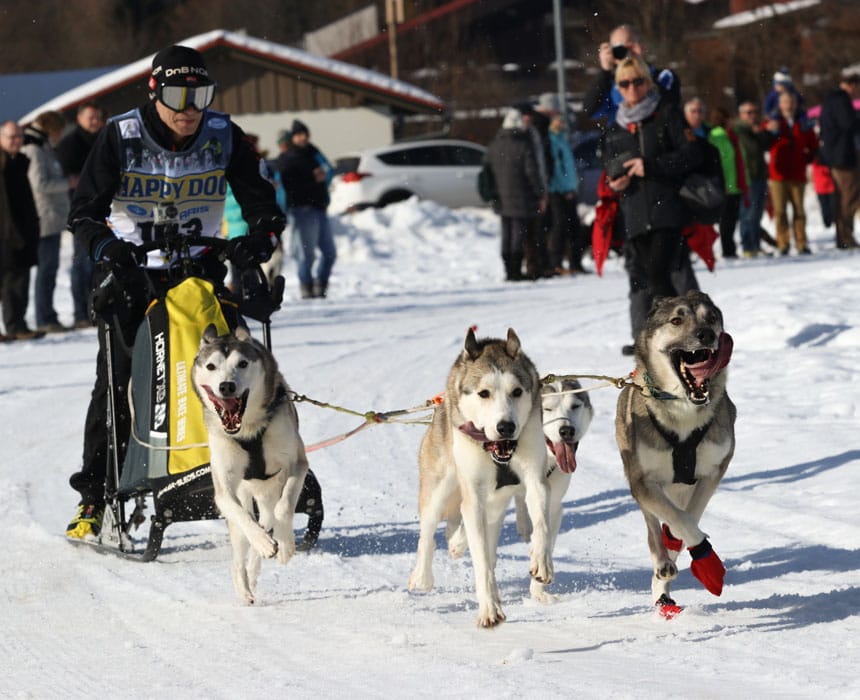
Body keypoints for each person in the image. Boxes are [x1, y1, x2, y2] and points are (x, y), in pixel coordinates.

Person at [65, 45, 285, 539]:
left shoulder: (223, 133)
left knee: (238, 379)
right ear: (154, 91)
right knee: (119, 383)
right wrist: (108, 249)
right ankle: (94, 498)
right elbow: (82, 213)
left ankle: (253, 479)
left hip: (200, 273)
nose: (189, 108)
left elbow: (262, 203)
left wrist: (258, 238)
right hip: (133, 276)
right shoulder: (121, 135)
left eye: (199, 95)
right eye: (177, 95)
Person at [601, 57, 704, 354]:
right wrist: (614, 180)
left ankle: (684, 336)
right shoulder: (618, 125)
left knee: (660, 274)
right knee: (646, 280)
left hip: (667, 209)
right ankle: (664, 337)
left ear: (648, 82)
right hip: (634, 213)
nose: (631, 88)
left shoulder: (666, 114)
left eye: (637, 81)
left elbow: (691, 154)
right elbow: (609, 163)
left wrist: (652, 166)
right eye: (624, 83)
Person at [55, 101, 106, 328]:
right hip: (80, 212)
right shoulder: (69, 144)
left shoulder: (106, 139)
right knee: (81, 263)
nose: (94, 122)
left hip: (105, 209)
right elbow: (68, 177)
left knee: (101, 264)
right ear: (79, 119)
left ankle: (98, 309)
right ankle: (80, 312)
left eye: (97, 117)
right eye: (90, 118)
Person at [21, 110, 71, 333]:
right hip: (44, 216)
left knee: (50, 268)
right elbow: (38, 184)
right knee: (46, 269)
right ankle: (44, 317)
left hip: (53, 216)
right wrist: (67, 183)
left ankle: (48, 314)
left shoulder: (41, 146)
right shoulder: (33, 148)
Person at [484, 108, 546, 281]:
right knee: (518, 234)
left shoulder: (495, 145)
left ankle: (508, 270)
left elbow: (487, 170)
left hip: (501, 196)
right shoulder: (522, 144)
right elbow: (532, 172)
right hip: (521, 196)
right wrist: (540, 193)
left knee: (506, 233)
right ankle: (516, 271)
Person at [278, 120, 336, 299]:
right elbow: (289, 186)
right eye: (299, 135)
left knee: (330, 253)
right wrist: (313, 180)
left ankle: (321, 285)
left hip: (319, 208)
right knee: (306, 255)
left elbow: (329, 170)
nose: (303, 138)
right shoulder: (288, 157)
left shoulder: (314, 153)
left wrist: (323, 178)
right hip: (301, 210)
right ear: (292, 138)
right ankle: (307, 287)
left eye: (305, 134)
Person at [684, 102, 748, 260]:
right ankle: (695, 251)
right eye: (693, 111)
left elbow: (727, 160)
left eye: (700, 111)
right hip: (696, 183)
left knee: (726, 220)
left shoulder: (710, 132)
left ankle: (723, 249)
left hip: (721, 182)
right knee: (700, 222)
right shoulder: (684, 132)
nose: (697, 114)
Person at [583, 23, 680, 124]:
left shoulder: (662, 76)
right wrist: (605, 71)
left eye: (630, 48)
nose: (626, 54)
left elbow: (669, 105)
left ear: (640, 46)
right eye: (618, 51)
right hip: (622, 137)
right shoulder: (609, 83)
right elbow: (590, 111)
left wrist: (638, 61)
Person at [0, 121, 43, 342]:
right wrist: (13, 233)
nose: (16, 141)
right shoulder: (4, 163)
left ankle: (18, 324)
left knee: (18, 282)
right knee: (12, 283)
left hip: (22, 231)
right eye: (11, 137)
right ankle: (15, 326)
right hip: (9, 235)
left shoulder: (19, 161)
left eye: (19, 136)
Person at [765, 91, 818, 255]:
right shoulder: (773, 121)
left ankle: (801, 243)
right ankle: (783, 243)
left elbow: (813, 144)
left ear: (796, 104)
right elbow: (764, 142)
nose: (788, 105)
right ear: (780, 105)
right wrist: (768, 132)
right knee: (780, 211)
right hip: (778, 174)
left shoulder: (802, 123)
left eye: (791, 102)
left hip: (797, 173)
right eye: (785, 102)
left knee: (799, 210)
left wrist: (805, 159)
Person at [818, 72, 860, 250]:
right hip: (843, 156)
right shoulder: (840, 100)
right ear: (852, 85)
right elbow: (848, 123)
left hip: (836, 155)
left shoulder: (831, 99)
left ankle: (843, 237)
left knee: (843, 197)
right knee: (848, 197)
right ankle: (845, 237)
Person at [546, 112, 587, 274]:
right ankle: (556, 262)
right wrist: (565, 188)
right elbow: (556, 169)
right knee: (559, 226)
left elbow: (569, 168)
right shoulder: (552, 141)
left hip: (569, 189)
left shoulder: (563, 140)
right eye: (557, 122)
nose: (561, 124)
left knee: (574, 228)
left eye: (562, 122)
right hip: (558, 191)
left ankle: (575, 262)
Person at [734, 100, 774, 257]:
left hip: (759, 175)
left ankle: (755, 244)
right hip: (747, 177)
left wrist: (764, 133)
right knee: (747, 214)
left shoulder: (755, 130)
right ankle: (748, 246)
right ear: (741, 114)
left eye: (755, 112)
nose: (752, 116)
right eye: (748, 113)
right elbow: (751, 149)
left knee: (757, 213)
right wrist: (758, 133)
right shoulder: (740, 130)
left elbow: (766, 146)